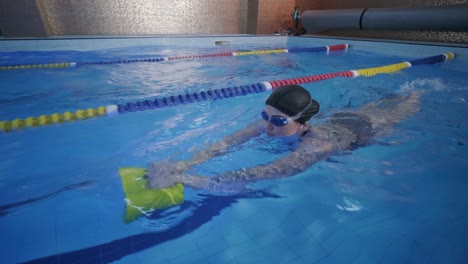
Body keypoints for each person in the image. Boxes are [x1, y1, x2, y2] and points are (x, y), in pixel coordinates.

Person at [146, 85, 421, 193]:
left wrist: (199, 181)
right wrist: (188, 163)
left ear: (302, 123)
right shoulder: (271, 120)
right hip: (343, 115)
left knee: (403, 107)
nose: (267, 126)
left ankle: (416, 94)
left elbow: (270, 171)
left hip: (365, 129)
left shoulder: (316, 145)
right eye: (264, 116)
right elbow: (228, 142)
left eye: (278, 122)